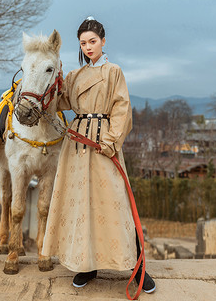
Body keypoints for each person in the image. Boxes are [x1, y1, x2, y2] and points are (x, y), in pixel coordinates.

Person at [42, 16, 156, 294]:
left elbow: (122, 108)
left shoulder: (113, 71)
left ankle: (136, 266)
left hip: (102, 142)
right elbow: (61, 102)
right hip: (77, 144)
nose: (88, 46)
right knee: (81, 204)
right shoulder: (75, 76)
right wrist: (52, 83)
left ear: (103, 41)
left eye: (92, 41)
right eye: (83, 43)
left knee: (116, 202)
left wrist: (110, 140)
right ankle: (86, 264)